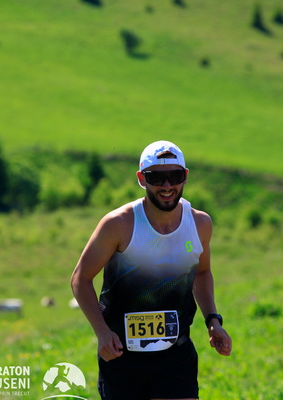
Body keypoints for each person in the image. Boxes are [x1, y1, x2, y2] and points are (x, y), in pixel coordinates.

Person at [71, 140, 232, 400]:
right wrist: (102, 332)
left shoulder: (200, 223)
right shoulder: (118, 224)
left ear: (185, 176)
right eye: (156, 177)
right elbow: (80, 278)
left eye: (175, 176)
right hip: (122, 356)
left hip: (176, 354)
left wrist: (213, 321)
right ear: (141, 179)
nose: (167, 186)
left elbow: (202, 273)